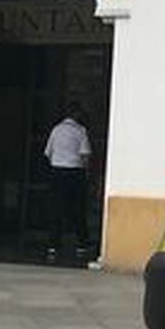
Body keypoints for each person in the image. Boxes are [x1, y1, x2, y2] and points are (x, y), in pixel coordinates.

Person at [44, 102, 92, 261]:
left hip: (57, 171)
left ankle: (53, 245)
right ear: (77, 115)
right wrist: (85, 173)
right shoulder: (81, 131)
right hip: (74, 172)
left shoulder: (56, 129)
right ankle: (82, 244)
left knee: (55, 209)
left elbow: (48, 153)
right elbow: (85, 155)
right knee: (77, 209)